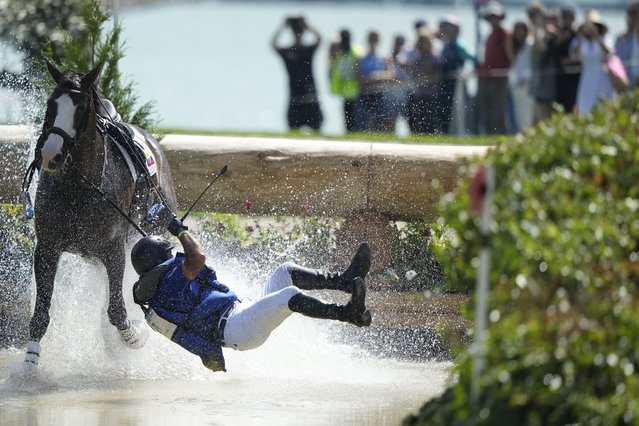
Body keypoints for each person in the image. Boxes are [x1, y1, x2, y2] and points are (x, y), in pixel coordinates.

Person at [130, 217, 372, 372]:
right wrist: (180, 232)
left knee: (285, 271)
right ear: (160, 260)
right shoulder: (169, 282)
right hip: (238, 328)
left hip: (240, 316)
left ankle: (344, 281)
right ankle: (348, 313)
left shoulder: (160, 288)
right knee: (289, 295)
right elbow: (197, 257)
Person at [272, 16, 323, 131]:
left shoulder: (308, 50)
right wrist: (282, 27)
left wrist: (308, 26)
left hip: (311, 98)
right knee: (293, 132)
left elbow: (320, 39)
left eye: (300, 32)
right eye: (296, 32)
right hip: (295, 99)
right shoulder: (288, 52)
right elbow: (273, 44)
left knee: (317, 132)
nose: (298, 35)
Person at [437, 15, 476, 135]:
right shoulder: (445, 44)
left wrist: (467, 72)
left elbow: (475, 58)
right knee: (445, 110)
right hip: (445, 83)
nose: (445, 29)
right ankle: (446, 132)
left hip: (456, 84)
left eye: (448, 27)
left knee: (456, 111)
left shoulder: (459, 44)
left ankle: (457, 133)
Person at [572, 9, 615, 116]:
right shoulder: (581, 40)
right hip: (586, 77)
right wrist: (582, 36)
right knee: (585, 107)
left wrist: (597, 37)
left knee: (602, 105)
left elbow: (610, 52)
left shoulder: (604, 38)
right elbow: (573, 55)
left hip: (601, 76)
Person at [477, 1, 511, 135]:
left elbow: (510, 56)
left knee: (498, 113)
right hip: (487, 79)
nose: (493, 20)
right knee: (487, 113)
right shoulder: (489, 36)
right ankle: (489, 137)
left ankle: (500, 139)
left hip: (500, 80)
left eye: (495, 17)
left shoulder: (505, 35)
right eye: (491, 17)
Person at [356, 30, 393, 132]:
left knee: (379, 123)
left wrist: (377, 76)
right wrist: (369, 79)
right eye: (371, 39)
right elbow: (357, 77)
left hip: (379, 94)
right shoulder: (361, 58)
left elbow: (390, 75)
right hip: (364, 93)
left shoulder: (385, 57)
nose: (373, 41)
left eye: (375, 39)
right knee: (362, 123)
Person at [330, 29, 363, 133]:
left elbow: (358, 71)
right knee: (348, 121)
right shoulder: (339, 53)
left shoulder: (356, 51)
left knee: (357, 120)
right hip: (344, 92)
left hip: (356, 91)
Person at [507, 20, 534, 133]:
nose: (519, 32)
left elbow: (530, 63)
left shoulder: (530, 43)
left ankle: (527, 133)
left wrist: (526, 78)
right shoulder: (514, 44)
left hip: (526, 82)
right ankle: (521, 133)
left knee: (527, 111)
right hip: (515, 82)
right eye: (517, 30)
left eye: (521, 29)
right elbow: (514, 62)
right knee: (518, 112)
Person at [555, 4, 581, 114]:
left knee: (573, 106)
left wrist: (570, 60)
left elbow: (581, 55)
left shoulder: (577, 34)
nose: (567, 19)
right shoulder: (557, 34)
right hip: (560, 78)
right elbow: (551, 54)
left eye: (569, 17)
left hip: (574, 78)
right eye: (565, 17)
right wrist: (559, 40)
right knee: (559, 107)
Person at [615, 1, 639, 90]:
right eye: (631, 13)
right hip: (623, 82)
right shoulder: (619, 39)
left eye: (634, 14)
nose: (632, 17)